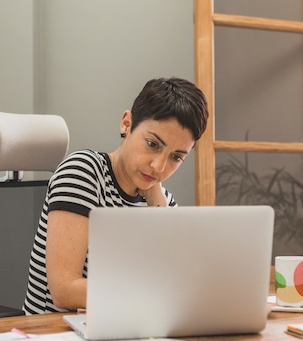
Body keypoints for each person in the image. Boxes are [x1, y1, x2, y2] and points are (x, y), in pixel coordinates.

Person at [24, 77, 209, 314]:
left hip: (120, 332)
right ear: (126, 124)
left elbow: (178, 282)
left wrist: (155, 199)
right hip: (53, 337)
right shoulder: (82, 172)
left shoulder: (162, 202)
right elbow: (64, 290)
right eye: (153, 144)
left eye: (176, 157)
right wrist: (154, 292)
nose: (159, 166)